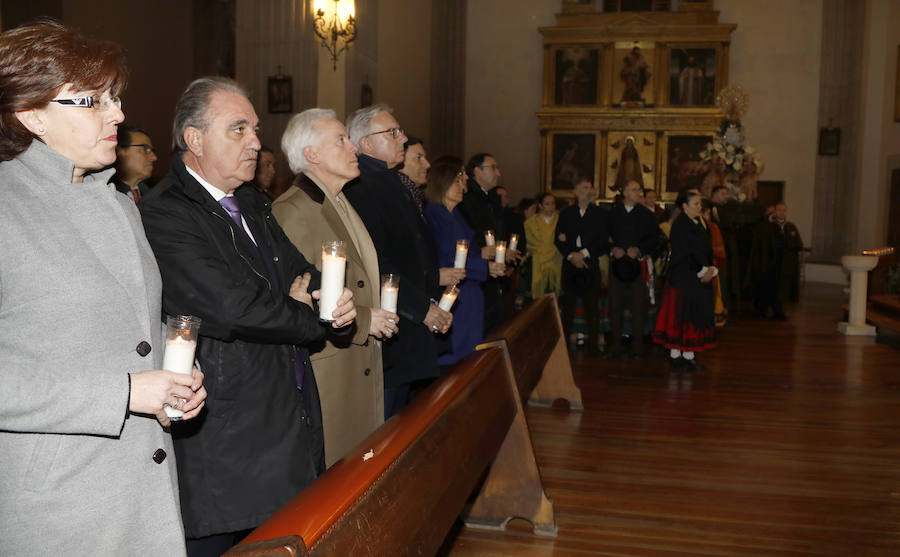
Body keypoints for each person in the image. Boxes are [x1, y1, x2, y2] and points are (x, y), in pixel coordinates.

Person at [0, 22, 206, 555]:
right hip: (62, 504)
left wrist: (175, 368)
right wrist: (124, 393)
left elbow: (118, 322)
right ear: (31, 115)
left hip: (143, 484)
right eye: (93, 100)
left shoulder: (115, 203)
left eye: (116, 98)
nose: (117, 113)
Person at [139, 77, 356, 556]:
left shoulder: (252, 203)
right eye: (238, 129)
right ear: (194, 140)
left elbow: (300, 271)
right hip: (226, 433)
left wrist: (328, 296)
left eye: (255, 129)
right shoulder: (166, 214)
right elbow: (232, 308)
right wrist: (314, 319)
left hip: (282, 414)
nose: (257, 142)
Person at [272, 108, 397, 467]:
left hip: (355, 360)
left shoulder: (338, 201)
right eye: (340, 140)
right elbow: (297, 296)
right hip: (330, 369)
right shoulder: (293, 210)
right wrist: (361, 318)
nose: (352, 147)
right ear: (312, 154)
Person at [344, 104, 452, 418]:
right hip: (393, 324)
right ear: (366, 144)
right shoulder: (364, 186)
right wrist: (422, 307)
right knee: (385, 422)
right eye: (392, 132)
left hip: (407, 321)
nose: (402, 137)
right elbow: (376, 259)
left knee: (401, 418)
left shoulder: (388, 181)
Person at [426, 157, 505, 367]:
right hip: (454, 293)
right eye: (458, 181)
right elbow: (449, 257)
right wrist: (485, 267)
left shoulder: (457, 214)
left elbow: (471, 252)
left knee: (468, 356)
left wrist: (486, 261)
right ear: (442, 182)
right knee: (453, 359)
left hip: (469, 292)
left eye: (463, 181)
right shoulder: (435, 215)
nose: (464, 187)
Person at [653, 189, 717, 370]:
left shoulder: (699, 223)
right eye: (696, 204)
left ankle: (689, 354)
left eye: (700, 204)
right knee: (679, 316)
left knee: (693, 316)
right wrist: (702, 270)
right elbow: (684, 252)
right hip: (683, 278)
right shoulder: (680, 225)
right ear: (684, 206)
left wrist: (711, 268)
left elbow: (705, 249)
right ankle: (676, 355)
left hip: (697, 277)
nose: (699, 207)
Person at [607, 179, 661, 358]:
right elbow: (603, 237)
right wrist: (613, 249)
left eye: (639, 190)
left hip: (638, 266)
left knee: (639, 305)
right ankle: (615, 345)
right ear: (625, 193)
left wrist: (639, 249)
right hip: (617, 266)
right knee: (615, 305)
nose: (638, 193)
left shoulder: (647, 215)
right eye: (634, 190)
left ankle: (638, 346)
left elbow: (655, 239)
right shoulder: (612, 214)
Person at [555, 179, 609, 355]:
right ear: (576, 192)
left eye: (590, 188)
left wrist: (583, 254)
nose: (589, 191)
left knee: (592, 307)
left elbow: (602, 241)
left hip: (590, 264)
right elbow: (559, 239)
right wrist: (572, 256)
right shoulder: (566, 213)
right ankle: (562, 346)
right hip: (570, 265)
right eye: (585, 188)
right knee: (568, 307)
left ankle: (593, 346)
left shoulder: (600, 214)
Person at [524, 192, 562, 301]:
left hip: (556, 260)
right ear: (540, 205)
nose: (551, 207)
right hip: (538, 261)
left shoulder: (560, 220)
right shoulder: (531, 222)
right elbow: (527, 242)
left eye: (553, 203)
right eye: (547, 204)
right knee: (537, 297)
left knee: (554, 296)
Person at [113, 123, 156, 203]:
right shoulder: (107, 195)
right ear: (118, 151)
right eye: (145, 149)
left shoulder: (155, 196)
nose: (154, 157)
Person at [398, 135, 429, 212]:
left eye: (425, 158)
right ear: (399, 161)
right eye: (418, 157)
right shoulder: (397, 198)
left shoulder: (415, 196)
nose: (428, 164)